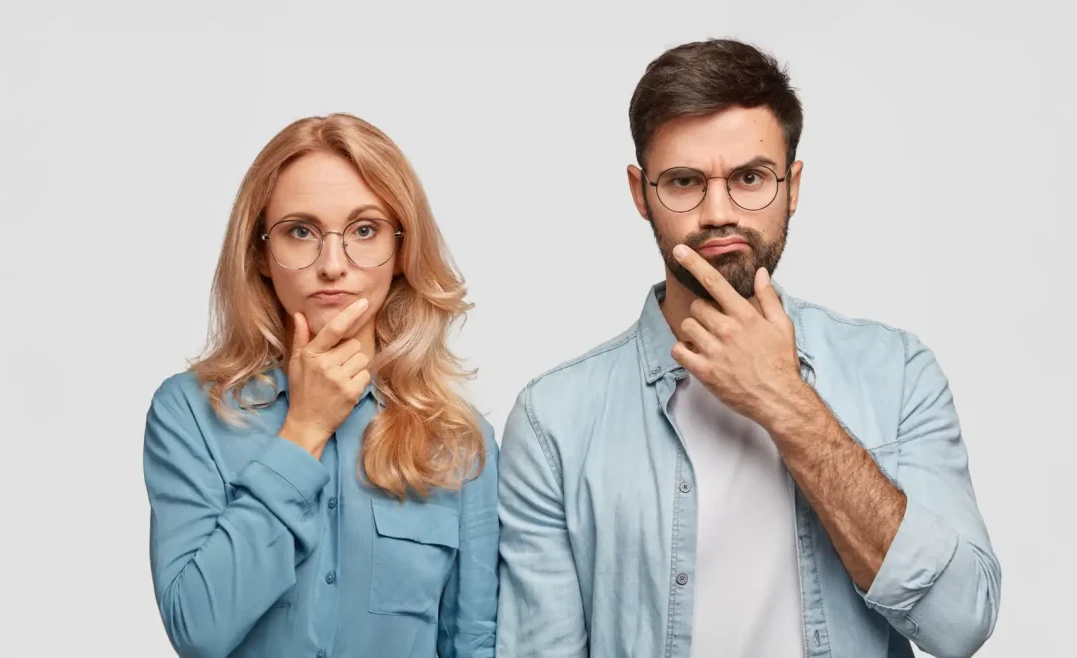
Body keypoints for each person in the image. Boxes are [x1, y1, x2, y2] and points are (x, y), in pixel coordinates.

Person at [495, 39, 1000, 658]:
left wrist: (785, 400)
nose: (718, 213)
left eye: (751, 178)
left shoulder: (896, 374)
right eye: (683, 182)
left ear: (793, 186)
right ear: (639, 192)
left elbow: (962, 622)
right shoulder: (554, 422)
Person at [143, 113, 498, 658]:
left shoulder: (459, 439)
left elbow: (472, 642)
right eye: (300, 231)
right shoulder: (189, 412)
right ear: (261, 252)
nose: (333, 265)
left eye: (364, 230)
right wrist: (303, 430)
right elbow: (198, 628)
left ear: (402, 249)